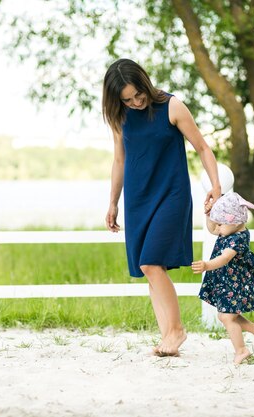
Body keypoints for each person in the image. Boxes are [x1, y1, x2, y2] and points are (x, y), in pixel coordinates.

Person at [102, 58, 222, 356]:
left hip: (171, 194)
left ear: (145, 83)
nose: (135, 102)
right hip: (138, 199)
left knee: (151, 262)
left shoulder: (172, 106)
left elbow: (203, 148)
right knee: (148, 269)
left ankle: (177, 330)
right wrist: (113, 202)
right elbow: (120, 160)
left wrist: (216, 187)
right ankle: (168, 337)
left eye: (138, 95)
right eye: (127, 99)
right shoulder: (121, 116)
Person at [192, 192, 254, 364]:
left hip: (237, 283)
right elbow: (212, 229)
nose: (217, 228)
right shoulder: (228, 229)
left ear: (234, 221)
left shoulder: (238, 239)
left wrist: (207, 265)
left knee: (227, 317)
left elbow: (225, 258)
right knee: (225, 316)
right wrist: (208, 216)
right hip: (227, 281)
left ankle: (241, 350)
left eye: (220, 223)